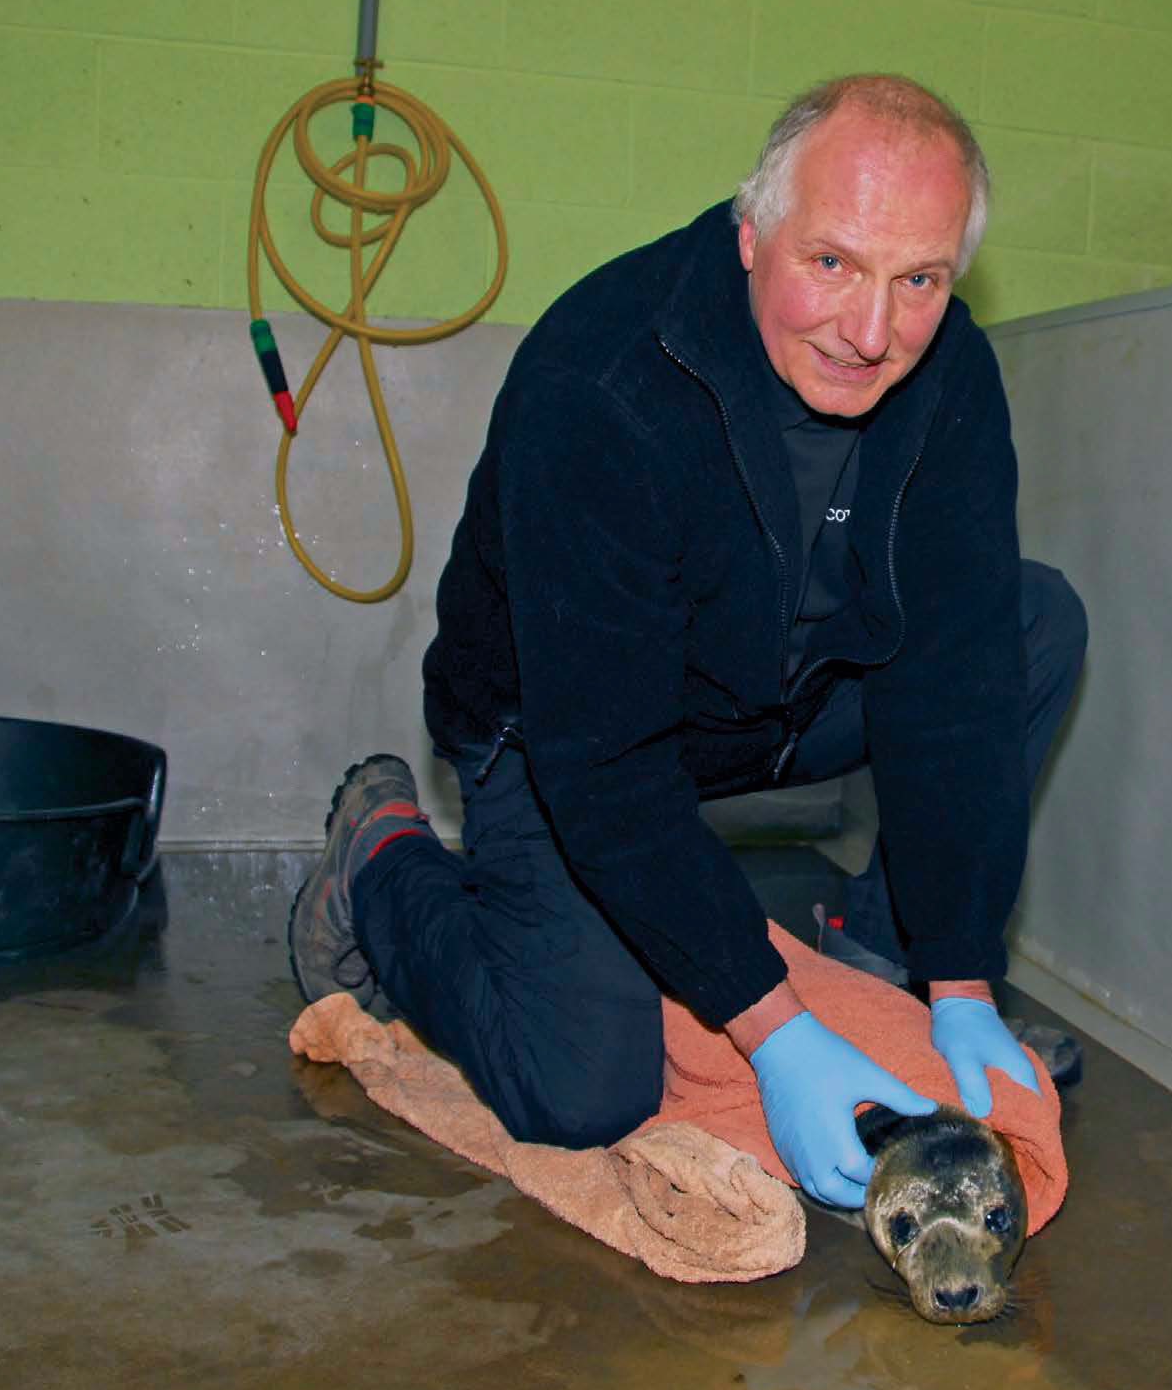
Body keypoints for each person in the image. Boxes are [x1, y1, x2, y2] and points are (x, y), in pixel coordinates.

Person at [288, 74, 1088, 1211]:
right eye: (834, 264)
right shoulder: (606, 380)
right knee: (579, 1089)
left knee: (1031, 618)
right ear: (752, 232)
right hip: (563, 727)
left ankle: (878, 957)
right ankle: (380, 858)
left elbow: (951, 681)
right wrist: (773, 1032)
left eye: (920, 279)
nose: (872, 333)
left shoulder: (950, 370)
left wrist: (960, 978)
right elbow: (604, 765)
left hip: (775, 696)